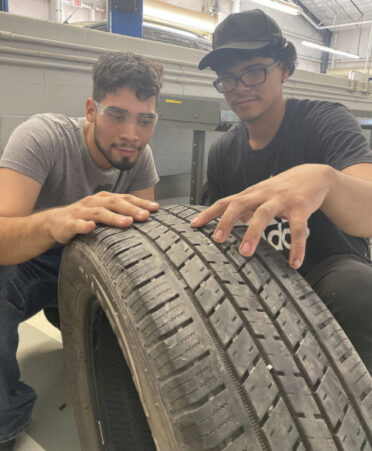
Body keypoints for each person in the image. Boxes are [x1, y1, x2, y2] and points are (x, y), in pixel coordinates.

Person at [192, 9, 372, 374]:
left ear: (285, 69)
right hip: (262, 282)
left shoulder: (325, 121)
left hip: (327, 276)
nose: (240, 87)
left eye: (254, 71)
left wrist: (327, 181)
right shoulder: (223, 152)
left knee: (356, 289)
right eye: (228, 78)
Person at [0, 51, 163, 449]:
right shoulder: (42, 137)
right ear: (91, 110)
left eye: (146, 120)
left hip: (90, 265)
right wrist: (57, 222)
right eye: (117, 115)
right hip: (27, 261)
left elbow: (141, 243)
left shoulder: (138, 159)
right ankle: (5, 418)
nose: (132, 134)